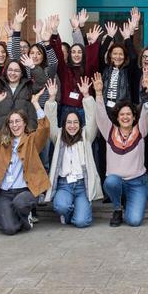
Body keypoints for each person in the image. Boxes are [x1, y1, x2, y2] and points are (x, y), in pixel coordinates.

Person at [0, 83, 52, 235]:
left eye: (18, 121)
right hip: (5, 192)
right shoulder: (2, 140)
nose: (14, 125)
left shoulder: (32, 139)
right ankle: (21, 218)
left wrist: (35, 103)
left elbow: (45, 127)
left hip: (25, 190)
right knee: (9, 229)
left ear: (25, 122)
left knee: (20, 203)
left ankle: (25, 213)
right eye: (11, 122)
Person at [94, 72, 148, 227]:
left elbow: (147, 113)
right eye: (122, 114)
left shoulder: (141, 129)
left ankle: (129, 200)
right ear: (117, 117)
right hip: (117, 181)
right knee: (111, 181)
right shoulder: (109, 131)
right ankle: (117, 208)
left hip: (137, 183)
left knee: (134, 221)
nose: (125, 117)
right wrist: (99, 93)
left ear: (134, 117)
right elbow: (100, 115)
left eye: (129, 114)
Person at [44, 78, 102, 228]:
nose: (72, 126)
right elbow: (49, 121)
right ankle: (68, 210)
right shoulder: (58, 137)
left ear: (80, 124)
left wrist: (87, 96)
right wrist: (51, 98)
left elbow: (92, 118)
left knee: (81, 222)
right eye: (69, 122)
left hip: (82, 185)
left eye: (75, 122)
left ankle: (78, 209)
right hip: (64, 185)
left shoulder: (86, 136)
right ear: (63, 125)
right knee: (60, 207)